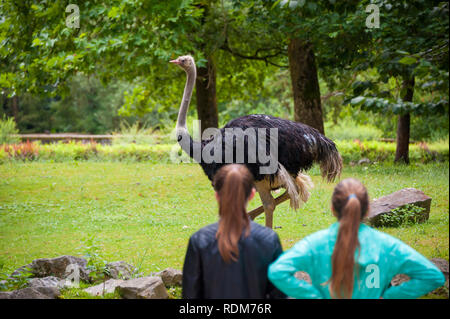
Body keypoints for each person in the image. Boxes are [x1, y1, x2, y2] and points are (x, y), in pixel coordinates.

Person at [268, 178, 445, 299]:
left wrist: (313, 295)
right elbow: (433, 276)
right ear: (367, 210)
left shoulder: (314, 244)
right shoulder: (387, 246)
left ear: (332, 209)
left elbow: (277, 271)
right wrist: (390, 296)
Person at [182, 164, 286, 299]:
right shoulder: (269, 240)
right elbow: (278, 293)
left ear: (217, 195)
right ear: (252, 194)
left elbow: (190, 295)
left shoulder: (199, 240)